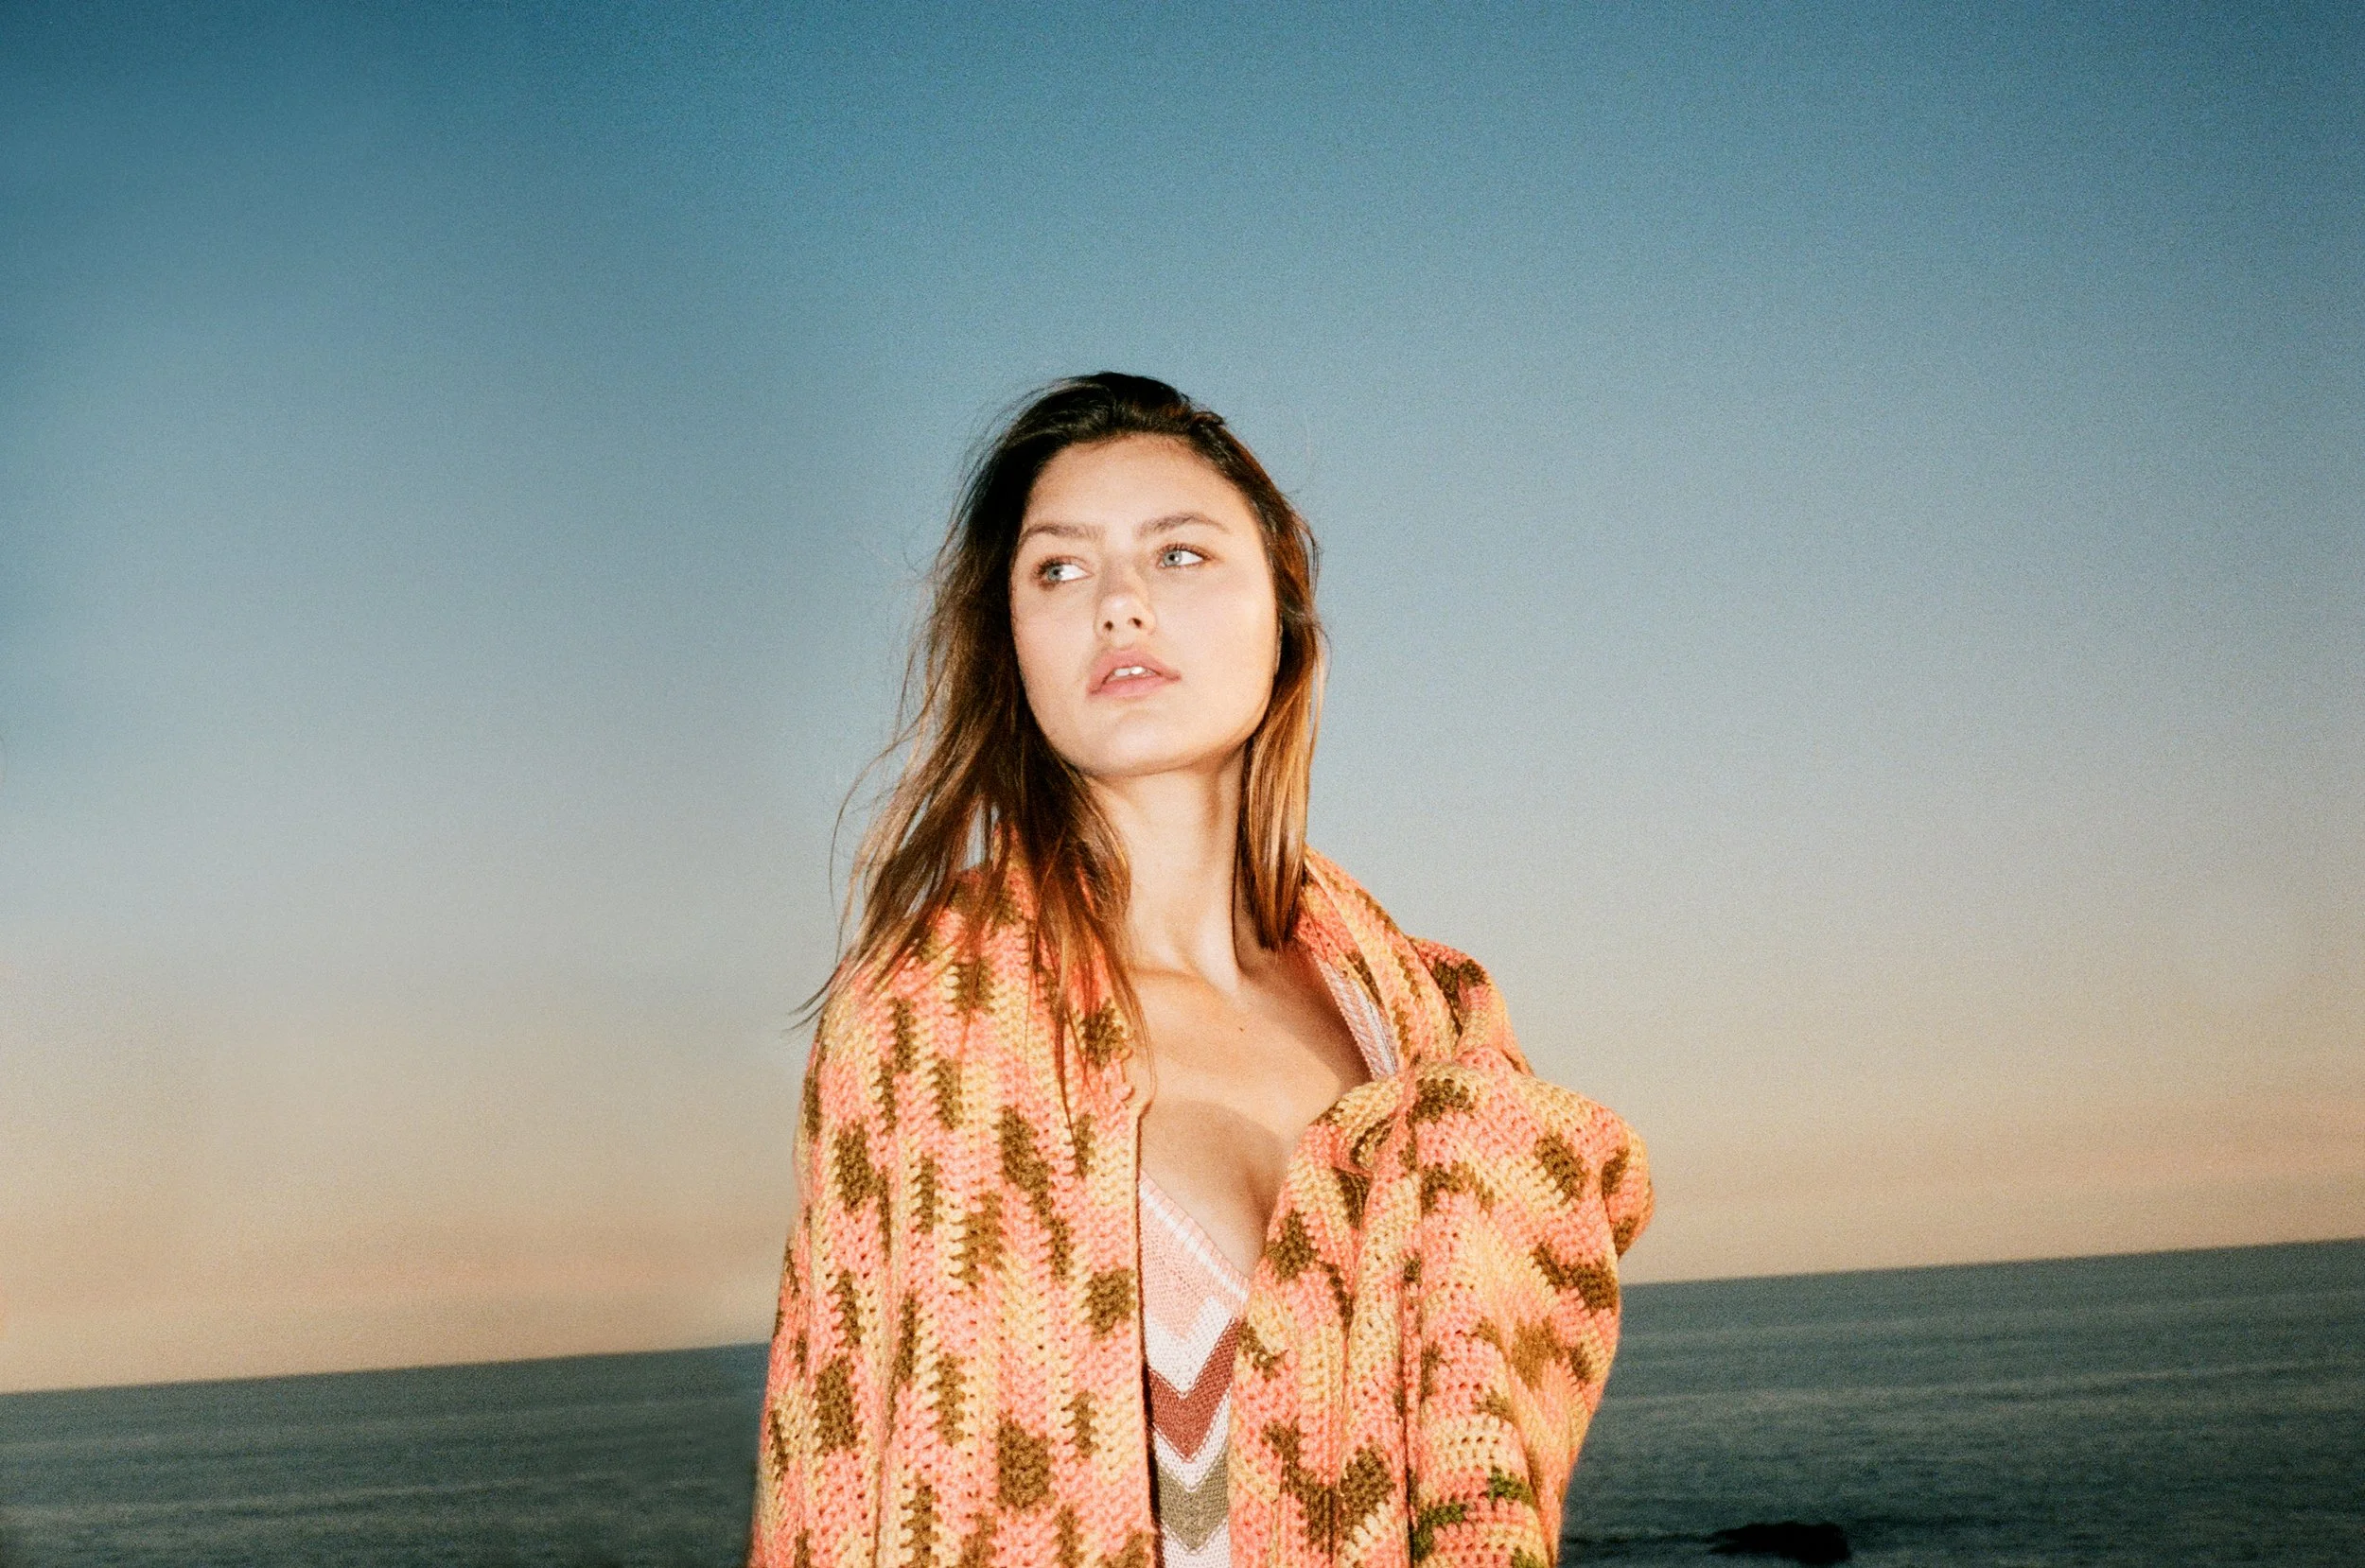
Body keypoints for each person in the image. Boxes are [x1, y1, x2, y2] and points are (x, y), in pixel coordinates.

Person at [749, 374, 1651, 1568]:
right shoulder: (922, 1021)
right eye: (1058, 570)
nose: (1119, 603)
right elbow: (832, 1474)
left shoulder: (1424, 1019)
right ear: (1011, 642)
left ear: (1283, 612)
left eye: (1179, 553)